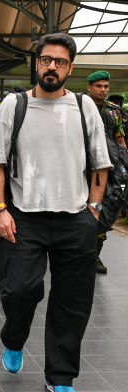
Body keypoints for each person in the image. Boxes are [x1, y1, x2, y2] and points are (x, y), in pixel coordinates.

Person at [0, 33, 111, 392]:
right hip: (26, 217)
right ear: (36, 63)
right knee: (20, 291)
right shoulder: (13, 105)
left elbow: (99, 165)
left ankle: (60, 378)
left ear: (70, 68)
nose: (51, 67)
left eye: (60, 61)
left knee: (72, 302)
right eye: (46, 60)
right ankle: (13, 339)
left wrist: (93, 210)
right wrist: (0, 210)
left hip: (76, 219)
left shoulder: (85, 107)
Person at [86, 70, 126, 274]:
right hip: (83, 166)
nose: (103, 90)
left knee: (106, 208)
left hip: (109, 167)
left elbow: (119, 139)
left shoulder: (114, 110)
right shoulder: (79, 106)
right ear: (89, 87)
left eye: (106, 86)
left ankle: (95, 255)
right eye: (99, 86)